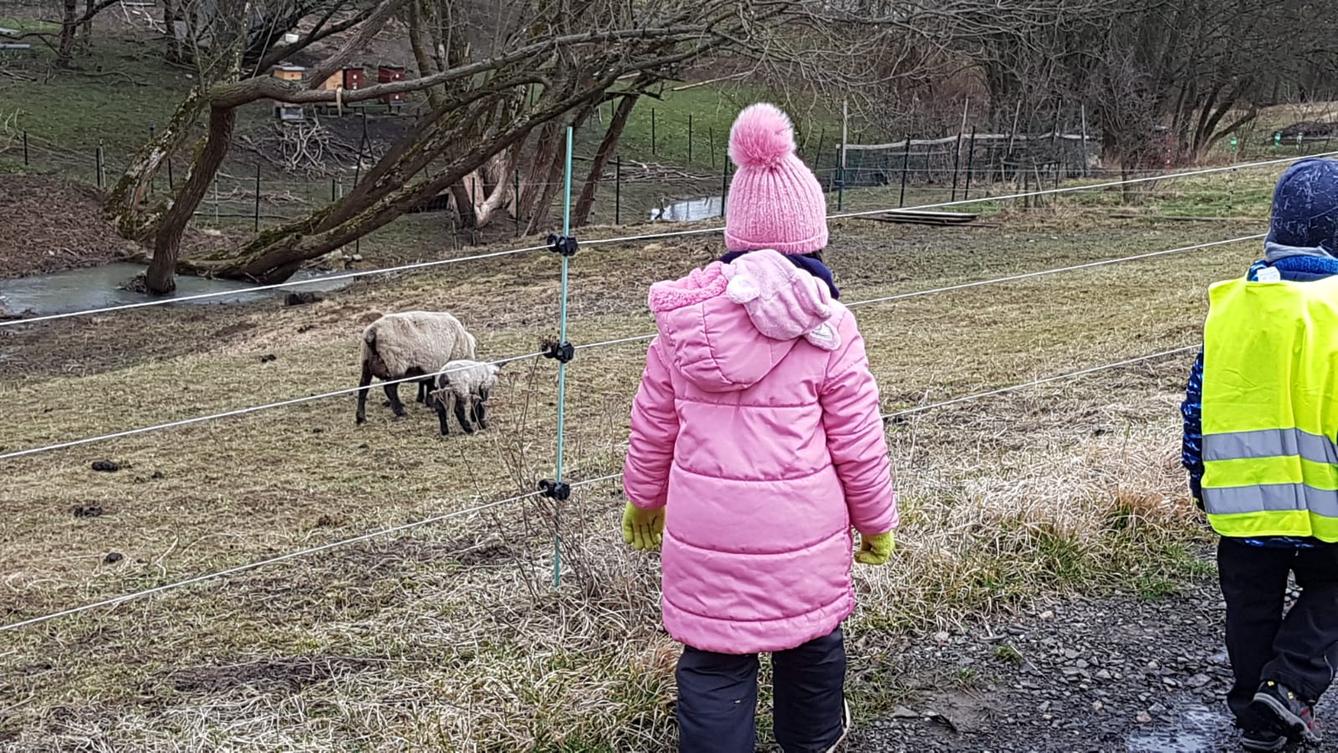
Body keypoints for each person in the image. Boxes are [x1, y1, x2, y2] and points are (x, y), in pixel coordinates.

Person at [619, 103, 898, 753]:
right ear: (813, 240)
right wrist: (877, 521)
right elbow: (859, 441)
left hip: (706, 532)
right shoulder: (831, 326)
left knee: (714, 661)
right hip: (803, 532)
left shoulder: (682, 323)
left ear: (736, 236)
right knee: (811, 640)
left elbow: (651, 423)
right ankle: (814, 740)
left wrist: (643, 498)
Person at [1182, 157, 1338, 752]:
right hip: (1330, 511)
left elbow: (1198, 402)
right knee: (1330, 598)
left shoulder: (1234, 309)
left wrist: (1200, 476)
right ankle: (1290, 686)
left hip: (1242, 504)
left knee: (1249, 607)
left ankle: (1256, 705)